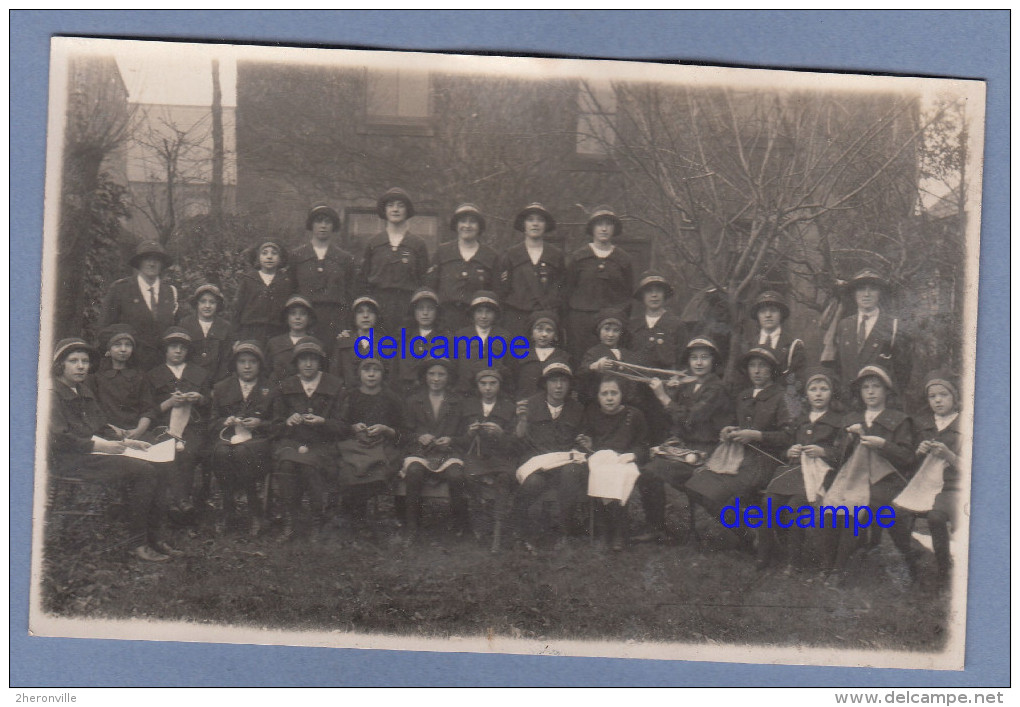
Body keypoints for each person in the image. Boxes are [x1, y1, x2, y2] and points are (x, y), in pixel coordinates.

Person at [48, 338, 174, 562]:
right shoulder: (52, 394)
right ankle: (138, 543)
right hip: (71, 459)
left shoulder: (81, 389)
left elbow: (99, 425)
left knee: (159, 464)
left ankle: (156, 537)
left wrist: (127, 442)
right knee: (144, 471)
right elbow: (59, 438)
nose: (81, 366)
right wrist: (101, 446)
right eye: (73, 361)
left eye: (85, 361)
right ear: (60, 366)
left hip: (92, 452)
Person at [685, 347, 793, 552]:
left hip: (765, 462)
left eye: (763, 366)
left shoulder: (784, 397)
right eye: (753, 365)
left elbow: (789, 436)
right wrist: (727, 430)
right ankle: (748, 533)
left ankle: (754, 536)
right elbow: (733, 423)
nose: (757, 371)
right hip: (736, 457)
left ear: (772, 370)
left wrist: (757, 435)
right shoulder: (743, 396)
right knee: (695, 485)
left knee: (713, 492)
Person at [821, 365, 914, 586]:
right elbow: (838, 456)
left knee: (855, 506)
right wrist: (849, 441)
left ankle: (838, 569)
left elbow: (908, 458)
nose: (870, 392)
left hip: (886, 480)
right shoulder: (851, 419)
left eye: (876, 387)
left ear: (886, 392)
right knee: (830, 505)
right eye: (865, 387)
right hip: (852, 475)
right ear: (860, 393)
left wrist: (883, 445)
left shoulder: (899, 420)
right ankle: (827, 564)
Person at [632, 337, 731, 544]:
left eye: (704, 357)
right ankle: (656, 526)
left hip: (709, 451)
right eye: (694, 358)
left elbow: (690, 418)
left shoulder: (716, 388)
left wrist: (663, 396)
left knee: (702, 492)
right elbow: (674, 419)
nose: (699, 362)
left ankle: (749, 535)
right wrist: (673, 393)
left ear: (713, 361)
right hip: (686, 450)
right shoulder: (688, 385)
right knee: (649, 472)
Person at [760, 367, 844, 572]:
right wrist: (790, 451)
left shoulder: (838, 421)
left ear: (831, 393)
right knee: (768, 501)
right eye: (813, 389)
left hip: (821, 474)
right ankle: (763, 555)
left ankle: (793, 561)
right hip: (796, 472)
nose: (818, 393)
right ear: (806, 394)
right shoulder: (800, 420)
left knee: (795, 506)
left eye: (823, 389)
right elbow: (784, 448)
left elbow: (844, 453)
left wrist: (823, 451)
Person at [889, 370, 964, 589]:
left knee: (935, 518)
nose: (938, 400)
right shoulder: (924, 425)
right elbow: (911, 464)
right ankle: (911, 559)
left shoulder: (966, 425)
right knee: (892, 514)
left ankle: (944, 569)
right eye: (933, 396)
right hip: (925, 485)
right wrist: (920, 452)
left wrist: (950, 455)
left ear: (955, 397)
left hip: (953, 487)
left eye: (944, 395)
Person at [268, 337, 345, 542]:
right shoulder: (285, 386)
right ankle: (291, 521)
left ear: (320, 362)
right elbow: (274, 427)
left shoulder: (335, 386)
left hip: (323, 445)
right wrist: (288, 421)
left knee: (309, 465)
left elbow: (343, 426)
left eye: (313, 359)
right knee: (286, 464)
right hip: (292, 443)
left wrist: (323, 421)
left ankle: (316, 521)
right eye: (303, 360)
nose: (308, 364)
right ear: (296, 363)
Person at [508, 362, 586, 548]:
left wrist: (584, 442)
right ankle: (520, 529)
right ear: (545, 384)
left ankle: (564, 530)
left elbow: (581, 439)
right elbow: (516, 441)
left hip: (564, 463)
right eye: (554, 381)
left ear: (569, 385)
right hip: (537, 462)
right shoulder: (530, 405)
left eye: (563, 382)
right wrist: (521, 421)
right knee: (534, 482)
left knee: (571, 473)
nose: (558, 386)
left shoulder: (577, 408)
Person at [209, 341, 274, 537]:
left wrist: (260, 423)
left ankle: (254, 510)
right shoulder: (222, 388)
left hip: (259, 442)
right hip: (228, 439)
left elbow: (279, 423)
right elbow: (212, 422)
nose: (247, 366)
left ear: (260, 365)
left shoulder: (270, 388)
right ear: (234, 365)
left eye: (252, 362)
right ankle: (227, 508)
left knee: (242, 452)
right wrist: (225, 421)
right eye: (242, 362)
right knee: (220, 452)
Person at [577, 376, 649, 551]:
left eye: (614, 393)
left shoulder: (634, 415)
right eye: (604, 394)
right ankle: (603, 531)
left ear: (621, 394)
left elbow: (643, 445)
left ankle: (618, 531)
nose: (609, 398)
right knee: (601, 473)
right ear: (598, 396)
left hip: (624, 459)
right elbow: (586, 439)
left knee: (618, 475)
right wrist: (586, 443)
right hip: (600, 460)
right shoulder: (592, 413)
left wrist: (633, 455)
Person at [146, 327, 211, 518]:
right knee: (169, 449)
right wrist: (168, 403)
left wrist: (199, 398)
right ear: (165, 350)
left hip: (193, 426)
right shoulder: (153, 375)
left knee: (188, 451)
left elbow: (211, 404)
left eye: (182, 347)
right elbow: (148, 409)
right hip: (163, 428)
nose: (178, 351)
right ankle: (181, 501)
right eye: (173, 347)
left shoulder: (199, 373)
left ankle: (177, 502)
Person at [400, 359, 467, 537]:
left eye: (441, 374)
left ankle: (457, 524)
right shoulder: (414, 400)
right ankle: (412, 526)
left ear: (449, 377)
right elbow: (404, 432)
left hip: (448, 453)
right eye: (431, 374)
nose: (436, 379)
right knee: (414, 471)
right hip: (420, 452)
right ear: (425, 376)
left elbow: (465, 435)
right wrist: (418, 437)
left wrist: (451, 440)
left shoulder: (457, 402)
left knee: (456, 475)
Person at [455, 368, 519, 552]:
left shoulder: (508, 407)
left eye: (493, 384)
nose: (488, 388)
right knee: (469, 476)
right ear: (477, 386)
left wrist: (501, 434)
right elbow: (459, 439)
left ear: (499, 385)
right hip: (476, 456)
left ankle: (498, 530)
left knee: (504, 479)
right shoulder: (468, 406)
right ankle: (480, 520)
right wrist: (469, 433)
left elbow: (515, 442)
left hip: (501, 456)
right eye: (483, 384)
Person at [825, 268, 911, 402]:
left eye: (872, 289)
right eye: (861, 289)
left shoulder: (893, 326)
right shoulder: (844, 325)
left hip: (881, 404)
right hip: (849, 405)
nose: (866, 294)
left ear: (880, 293)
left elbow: (903, 372)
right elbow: (839, 368)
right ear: (854, 294)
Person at [335, 357, 404, 522]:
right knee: (349, 471)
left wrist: (386, 429)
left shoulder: (391, 398)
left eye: (376, 370)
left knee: (376, 472)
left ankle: (363, 521)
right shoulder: (350, 396)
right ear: (359, 373)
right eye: (367, 370)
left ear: (383, 373)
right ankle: (354, 518)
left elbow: (404, 431)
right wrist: (353, 427)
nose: (371, 375)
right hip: (355, 446)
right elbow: (340, 424)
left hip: (383, 446)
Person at [564, 207, 634, 362]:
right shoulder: (579, 257)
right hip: (581, 322)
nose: (604, 229)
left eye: (608, 224)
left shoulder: (623, 259)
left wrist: (618, 317)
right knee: (580, 360)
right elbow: (567, 291)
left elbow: (628, 294)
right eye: (599, 224)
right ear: (592, 228)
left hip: (611, 324)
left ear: (614, 229)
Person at [99, 240, 180, 371]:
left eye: (157, 260)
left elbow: (175, 329)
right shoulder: (121, 289)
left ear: (162, 264)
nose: (152, 263)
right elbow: (104, 329)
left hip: (161, 367)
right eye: (147, 259)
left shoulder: (170, 292)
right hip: (129, 366)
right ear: (139, 263)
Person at [628, 271, 689, 441]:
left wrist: (677, 380)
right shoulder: (633, 324)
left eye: (659, 290)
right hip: (637, 388)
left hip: (665, 387)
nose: (654, 295)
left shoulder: (676, 324)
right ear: (642, 296)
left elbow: (684, 360)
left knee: (661, 432)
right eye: (649, 291)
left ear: (665, 295)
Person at [358, 188, 430, 330]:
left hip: (408, 306)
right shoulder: (374, 243)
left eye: (400, 205)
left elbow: (424, 281)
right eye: (390, 205)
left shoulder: (418, 244)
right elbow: (363, 280)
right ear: (384, 210)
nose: (395, 209)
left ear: (407, 210)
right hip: (378, 305)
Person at [288, 204, 357, 345]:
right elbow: (290, 290)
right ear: (311, 225)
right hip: (304, 318)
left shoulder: (344, 258)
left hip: (334, 320)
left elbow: (349, 294)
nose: (323, 225)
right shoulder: (297, 256)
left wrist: (346, 325)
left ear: (334, 226)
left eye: (328, 222)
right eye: (319, 221)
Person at [497, 203, 565, 339]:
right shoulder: (510, 254)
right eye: (530, 220)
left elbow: (561, 286)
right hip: (516, 317)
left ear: (546, 225)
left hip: (545, 318)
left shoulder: (556, 255)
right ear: (523, 225)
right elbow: (502, 290)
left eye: (540, 220)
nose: (535, 224)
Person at [427, 203, 499, 328]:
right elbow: (430, 287)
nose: (467, 226)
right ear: (456, 225)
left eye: (472, 222)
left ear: (479, 227)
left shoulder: (490, 256)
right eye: (463, 221)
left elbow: (497, 292)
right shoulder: (443, 252)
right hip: (444, 319)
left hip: (477, 322)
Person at [743, 290, 806, 415]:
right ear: (757, 316)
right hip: (752, 406)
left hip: (782, 407)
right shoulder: (748, 345)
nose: (768, 315)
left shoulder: (794, 345)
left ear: (781, 314)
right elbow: (742, 381)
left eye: (773, 310)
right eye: (762, 311)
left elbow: (797, 382)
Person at [90, 324, 155, 443]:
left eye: (128, 345)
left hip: (136, 433)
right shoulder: (96, 377)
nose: (123, 349)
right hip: (106, 432)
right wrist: (111, 428)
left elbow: (148, 409)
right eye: (117, 345)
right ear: (108, 349)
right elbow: (93, 410)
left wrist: (139, 430)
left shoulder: (140, 376)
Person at [230, 240, 294, 348]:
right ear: (258, 257)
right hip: (251, 331)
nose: (269, 257)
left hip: (277, 332)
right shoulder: (248, 279)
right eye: (264, 253)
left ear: (280, 258)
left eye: (274, 253)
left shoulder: (285, 281)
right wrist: (236, 337)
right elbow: (237, 309)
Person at [451, 291, 512, 395]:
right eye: (479, 311)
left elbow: (510, 366)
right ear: (473, 314)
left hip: (493, 392)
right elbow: (453, 365)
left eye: (488, 312)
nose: (483, 316)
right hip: (464, 391)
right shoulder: (460, 335)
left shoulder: (504, 336)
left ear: (495, 314)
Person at [393, 288, 447, 398]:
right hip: (404, 393)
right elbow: (394, 369)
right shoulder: (403, 336)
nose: (425, 313)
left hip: (432, 393)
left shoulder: (445, 338)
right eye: (420, 308)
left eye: (430, 309)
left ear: (437, 312)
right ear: (413, 312)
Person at [578, 308, 637, 405]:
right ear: (599, 331)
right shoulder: (593, 353)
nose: (611, 334)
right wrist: (595, 366)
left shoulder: (628, 354)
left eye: (616, 330)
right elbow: (582, 374)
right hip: (600, 405)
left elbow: (633, 382)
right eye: (607, 329)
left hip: (625, 404)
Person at [510, 310, 570, 400]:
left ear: (556, 335)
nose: (544, 334)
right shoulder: (521, 356)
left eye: (549, 330)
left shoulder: (563, 357)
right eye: (539, 329)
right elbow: (512, 384)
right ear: (532, 333)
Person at [332, 295, 387, 390]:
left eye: (370, 312)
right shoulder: (343, 342)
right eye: (360, 312)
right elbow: (335, 375)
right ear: (354, 317)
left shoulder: (385, 344)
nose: (365, 316)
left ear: (377, 317)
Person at [180, 284, 233, 384]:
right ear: (197, 304)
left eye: (212, 302)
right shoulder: (185, 324)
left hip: (216, 382)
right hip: (189, 382)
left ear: (218, 305)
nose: (207, 306)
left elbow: (226, 360)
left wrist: (218, 385)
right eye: (203, 301)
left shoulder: (225, 327)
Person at [265, 295, 317, 389]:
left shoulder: (316, 344)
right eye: (293, 313)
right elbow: (266, 372)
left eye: (303, 313)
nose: (298, 317)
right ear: (286, 318)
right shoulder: (274, 343)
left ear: (309, 318)